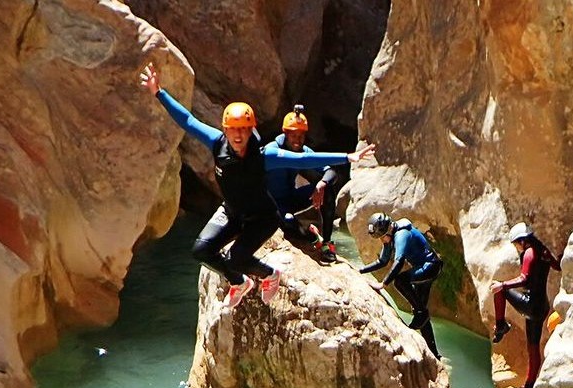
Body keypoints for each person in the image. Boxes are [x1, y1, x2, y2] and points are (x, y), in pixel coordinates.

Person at [140, 64, 374, 305]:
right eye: (233, 130)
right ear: (225, 130)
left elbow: (303, 159)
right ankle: (240, 282)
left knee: (235, 258)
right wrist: (159, 93)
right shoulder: (216, 142)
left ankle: (269, 274)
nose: (238, 136)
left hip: (261, 218)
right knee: (201, 251)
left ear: (251, 130)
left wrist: (347, 157)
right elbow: (188, 121)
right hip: (231, 211)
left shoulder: (263, 156)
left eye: (243, 130)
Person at [263, 105, 348, 260]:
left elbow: (331, 172)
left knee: (327, 189)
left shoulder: (304, 150)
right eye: (294, 135)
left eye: (301, 135)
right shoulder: (272, 150)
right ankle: (311, 236)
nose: (298, 140)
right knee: (289, 224)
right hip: (273, 204)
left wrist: (322, 183)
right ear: (285, 133)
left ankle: (327, 243)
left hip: (291, 197)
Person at [489, 222, 561, 388]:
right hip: (541, 306)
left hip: (530, 303)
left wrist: (503, 284)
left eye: (516, 244)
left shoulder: (529, 252)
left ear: (522, 241)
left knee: (500, 290)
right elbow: (557, 266)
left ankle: (500, 325)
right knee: (533, 348)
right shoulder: (542, 250)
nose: (517, 248)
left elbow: (525, 278)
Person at [359, 213, 444, 355]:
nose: (381, 240)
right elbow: (383, 261)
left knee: (400, 281)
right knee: (420, 312)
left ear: (386, 232)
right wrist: (361, 270)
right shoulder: (391, 233)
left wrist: (383, 284)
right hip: (424, 267)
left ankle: (421, 314)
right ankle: (435, 353)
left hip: (430, 266)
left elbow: (399, 261)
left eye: (381, 237)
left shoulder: (401, 234)